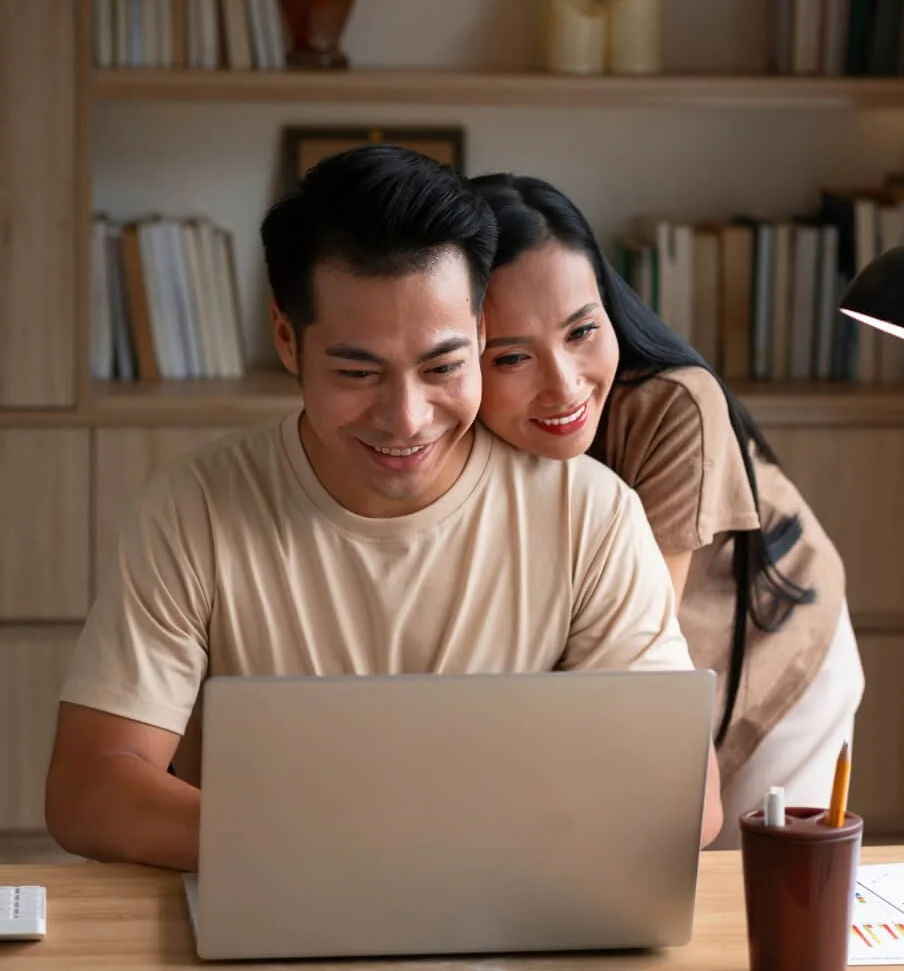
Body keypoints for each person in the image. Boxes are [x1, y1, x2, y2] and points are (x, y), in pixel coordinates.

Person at [47, 146, 722, 871]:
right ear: (286, 337)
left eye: (442, 368)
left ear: (481, 334)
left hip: (508, 924)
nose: (406, 419)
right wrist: (338, 854)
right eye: (357, 372)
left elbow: (685, 796)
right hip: (274, 901)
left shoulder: (592, 517)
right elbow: (90, 788)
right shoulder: (193, 511)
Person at [469, 172, 864, 848]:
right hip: (639, 682)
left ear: (609, 306)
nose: (564, 384)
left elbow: (635, 647)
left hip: (770, 645)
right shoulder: (446, 423)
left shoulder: (673, 406)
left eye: (582, 331)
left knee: (751, 901)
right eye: (511, 356)